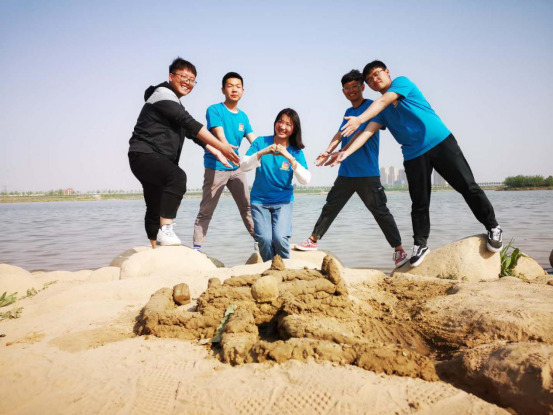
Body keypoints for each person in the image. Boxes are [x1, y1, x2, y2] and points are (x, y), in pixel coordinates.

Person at [332, 60, 503, 267]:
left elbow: (384, 100)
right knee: (419, 202)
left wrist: (359, 119)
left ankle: (493, 227)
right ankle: (420, 244)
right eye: (369, 79)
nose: (374, 80)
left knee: (468, 186)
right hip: (413, 155)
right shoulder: (380, 111)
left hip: (440, 143)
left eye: (377, 74)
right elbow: (367, 132)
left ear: (387, 72)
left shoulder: (401, 83)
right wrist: (344, 152)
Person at [294, 70, 408, 268]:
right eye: (347, 88)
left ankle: (399, 250)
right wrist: (327, 151)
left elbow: (361, 132)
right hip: (346, 172)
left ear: (363, 87)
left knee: (380, 211)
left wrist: (341, 152)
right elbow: (340, 134)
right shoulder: (348, 111)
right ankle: (313, 240)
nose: (351, 90)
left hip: (367, 173)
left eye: (355, 86)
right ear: (343, 91)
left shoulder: (372, 107)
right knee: (331, 206)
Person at [128, 57, 240, 249]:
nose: (188, 83)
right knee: (177, 177)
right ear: (171, 76)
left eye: (192, 80)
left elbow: (189, 132)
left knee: (155, 204)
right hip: (144, 154)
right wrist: (222, 146)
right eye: (184, 77)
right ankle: (166, 230)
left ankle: (155, 249)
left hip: (150, 157)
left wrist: (215, 151)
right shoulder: (163, 95)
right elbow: (189, 123)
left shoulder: (172, 102)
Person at [192, 72, 256, 252]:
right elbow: (219, 135)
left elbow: (254, 140)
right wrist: (225, 146)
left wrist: (267, 152)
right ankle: (197, 248)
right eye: (230, 86)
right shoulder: (214, 110)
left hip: (236, 167)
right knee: (207, 209)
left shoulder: (243, 116)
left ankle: (259, 241)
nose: (234, 89)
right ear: (223, 90)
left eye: (238, 86)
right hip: (216, 166)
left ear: (243, 91)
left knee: (247, 206)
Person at [240, 109, 311, 261]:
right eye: (280, 122)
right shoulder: (260, 142)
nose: (283, 127)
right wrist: (262, 152)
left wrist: (289, 157)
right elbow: (243, 166)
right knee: (264, 239)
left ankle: (286, 267)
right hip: (260, 201)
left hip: (283, 201)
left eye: (288, 124)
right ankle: (270, 266)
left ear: (294, 129)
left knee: (279, 237)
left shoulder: (295, 151)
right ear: (275, 123)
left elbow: (305, 179)